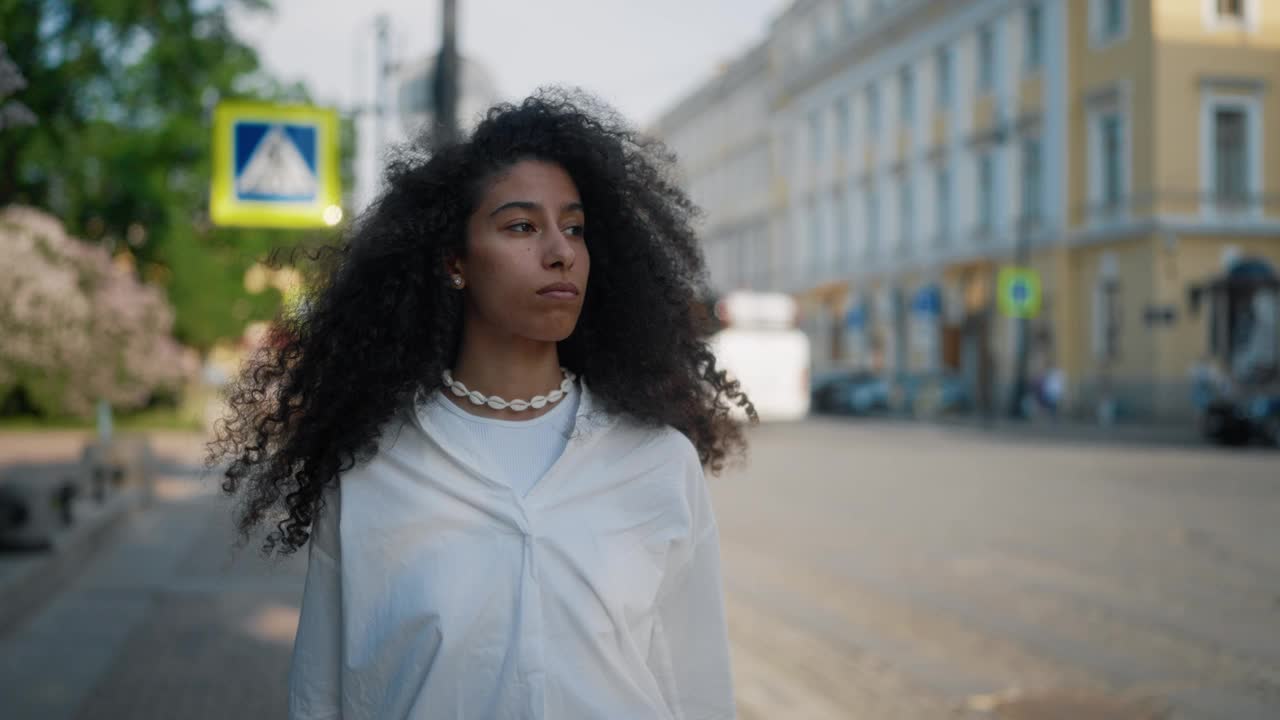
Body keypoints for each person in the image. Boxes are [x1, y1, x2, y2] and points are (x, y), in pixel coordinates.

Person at [208, 88, 753, 720]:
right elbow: (323, 697)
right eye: (522, 226)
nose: (561, 251)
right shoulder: (371, 469)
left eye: (573, 228)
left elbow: (698, 687)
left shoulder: (658, 462)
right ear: (455, 261)